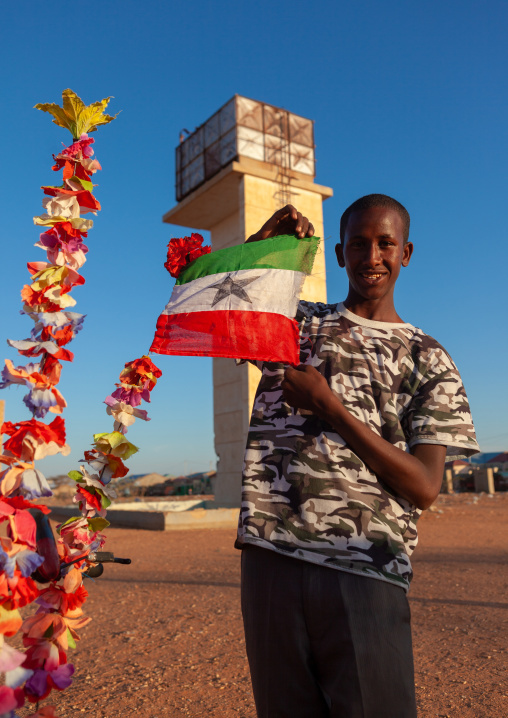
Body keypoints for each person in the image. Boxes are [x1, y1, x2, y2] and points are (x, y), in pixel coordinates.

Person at [235, 196, 479, 718]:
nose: (373, 255)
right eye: (358, 244)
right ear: (340, 254)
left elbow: (424, 487)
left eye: (385, 243)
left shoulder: (426, 356)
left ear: (406, 252)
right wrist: (265, 241)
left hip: (365, 565)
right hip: (271, 558)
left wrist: (332, 409)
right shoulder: (296, 327)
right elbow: (225, 310)